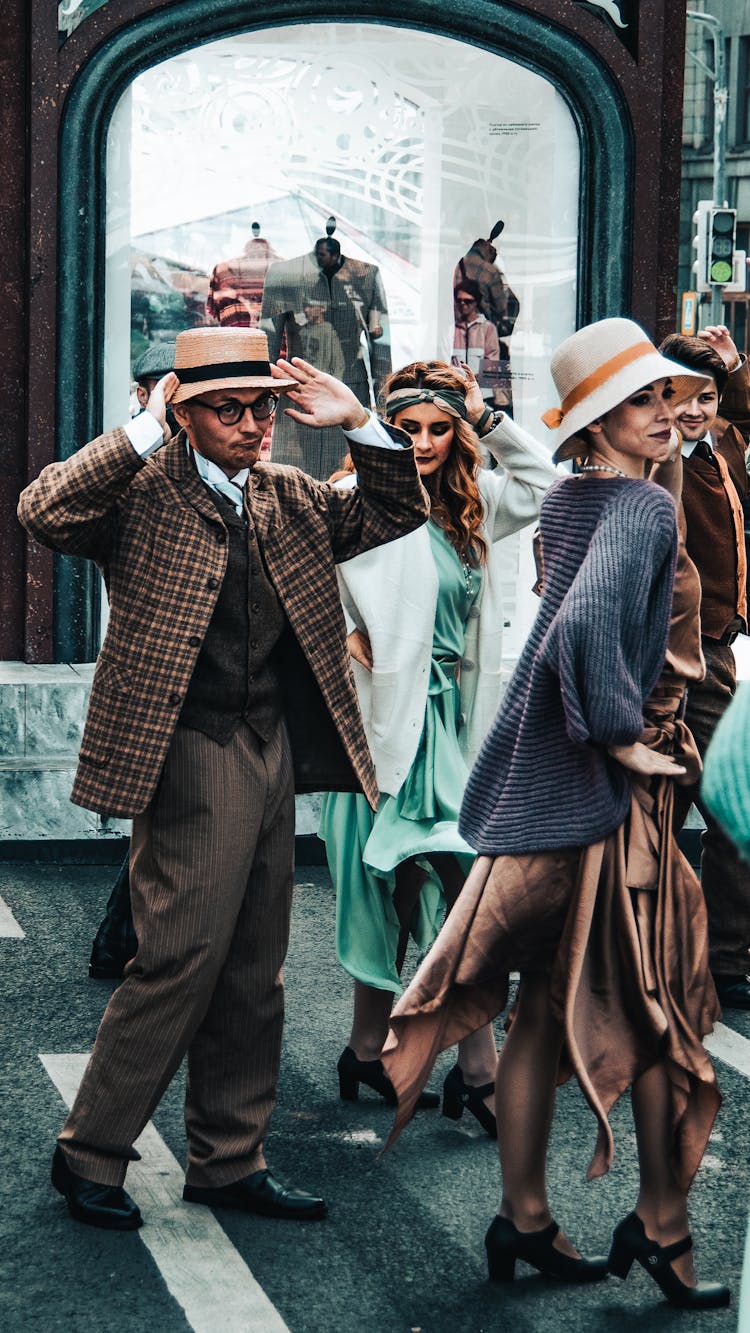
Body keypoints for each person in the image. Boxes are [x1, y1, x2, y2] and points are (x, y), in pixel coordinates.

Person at [18, 325, 429, 1232]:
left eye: (263, 407)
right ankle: (89, 1151)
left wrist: (361, 422)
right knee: (178, 957)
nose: (253, 424)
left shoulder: (290, 496)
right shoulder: (143, 491)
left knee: (255, 964)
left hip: (270, 742)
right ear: (184, 409)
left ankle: (229, 1158)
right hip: (185, 742)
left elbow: (397, 510)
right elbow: (44, 511)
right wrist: (139, 430)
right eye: (227, 408)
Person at [383, 318, 730, 1310]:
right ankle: (662, 1230)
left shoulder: (580, 499)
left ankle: (525, 1217)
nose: (665, 415)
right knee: (664, 1015)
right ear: (598, 423)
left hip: (548, 788)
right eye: (642, 402)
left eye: (670, 396)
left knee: (541, 1004)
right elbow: (581, 630)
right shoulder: (640, 512)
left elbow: (562, 615)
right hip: (613, 805)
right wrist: (626, 732)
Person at [320, 360, 559, 1127]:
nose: (421, 442)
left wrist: (487, 416)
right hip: (380, 722)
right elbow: (309, 595)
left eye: (436, 428)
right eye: (406, 428)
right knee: (389, 890)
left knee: (461, 890)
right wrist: (342, 637)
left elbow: (548, 485)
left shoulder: (476, 499)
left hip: (454, 723)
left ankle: (444, 1060)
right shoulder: (347, 499)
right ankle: (396, 1051)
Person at [658, 326, 750, 1009]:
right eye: (680, 395)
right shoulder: (657, 458)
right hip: (668, 657)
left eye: (706, 396)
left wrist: (736, 366)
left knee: (730, 811)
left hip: (719, 653)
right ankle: (640, 961)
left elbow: (745, 413)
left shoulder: (727, 448)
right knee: (656, 817)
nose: (694, 409)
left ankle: (725, 962)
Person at [260, 229, 390, 478]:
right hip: (298, 393)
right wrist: (260, 404)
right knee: (293, 480)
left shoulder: (366, 275)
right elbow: (268, 344)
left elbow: (381, 348)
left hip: (351, 393)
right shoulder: (283, 275)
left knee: (350, 477)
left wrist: (385, 409)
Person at [452, 281, 501, 405]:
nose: (463, 304)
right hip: (457, 395)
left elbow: (491, 364)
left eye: (468, 301)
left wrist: (473, 379)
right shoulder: (452, 328)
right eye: (459, 300)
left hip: (482, 396)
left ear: (476, 302)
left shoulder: (487, 328)